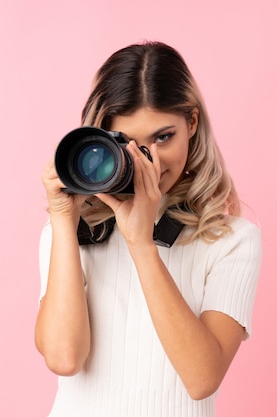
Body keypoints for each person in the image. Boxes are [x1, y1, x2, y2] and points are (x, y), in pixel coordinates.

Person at [35, 41, 262, 417]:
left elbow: (201, 378)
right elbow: (63, 357)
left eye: (163, 137)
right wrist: (63, 220)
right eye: (128, 144)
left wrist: (141, 242)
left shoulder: (232, 241)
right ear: (104, 140)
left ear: (192, 122)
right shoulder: (69, 234)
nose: (148, 163)